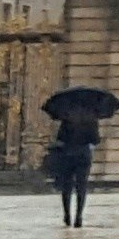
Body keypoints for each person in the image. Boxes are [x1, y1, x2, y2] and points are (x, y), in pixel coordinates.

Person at [43, 94, 101, 229]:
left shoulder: (67, 117)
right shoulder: (91, 118)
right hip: (84, 155)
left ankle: (67, 214)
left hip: (68, 154)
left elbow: (60, 138)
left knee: (67, 186)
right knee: (82, 186)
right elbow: (96, 140)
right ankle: (79, 216)